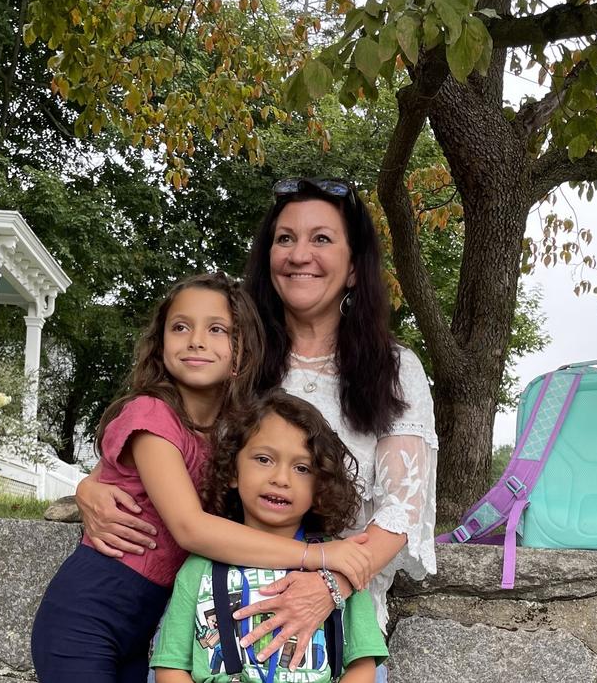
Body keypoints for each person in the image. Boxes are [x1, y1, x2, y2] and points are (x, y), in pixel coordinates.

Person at [77, 178, 437, 675]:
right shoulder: (235, 359)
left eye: (321, 239)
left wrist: (330, 586)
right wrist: (89, 486)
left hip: (335, 631)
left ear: (354, 268)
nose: (298, 254)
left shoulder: (394, 370)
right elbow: (163, 437)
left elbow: (401, 511)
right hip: (214, 617)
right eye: (284, 239)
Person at [32, 272, 374, 683]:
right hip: (90, 613)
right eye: (180, 327)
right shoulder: (152, 414)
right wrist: (318, 557)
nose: (196, 340)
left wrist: (88, 484)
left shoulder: (235, 433)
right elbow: (190, 528)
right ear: (161, 344)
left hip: (145, 624)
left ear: (242, 351)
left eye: (217, 330)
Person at [151, 389, 388, 683]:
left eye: (302, 468)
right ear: (233, 471)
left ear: (320, 487)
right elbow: (170, 667)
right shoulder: (199, 568)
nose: (280, 478)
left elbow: (363, 665)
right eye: (264, 459)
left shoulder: (341, 563)